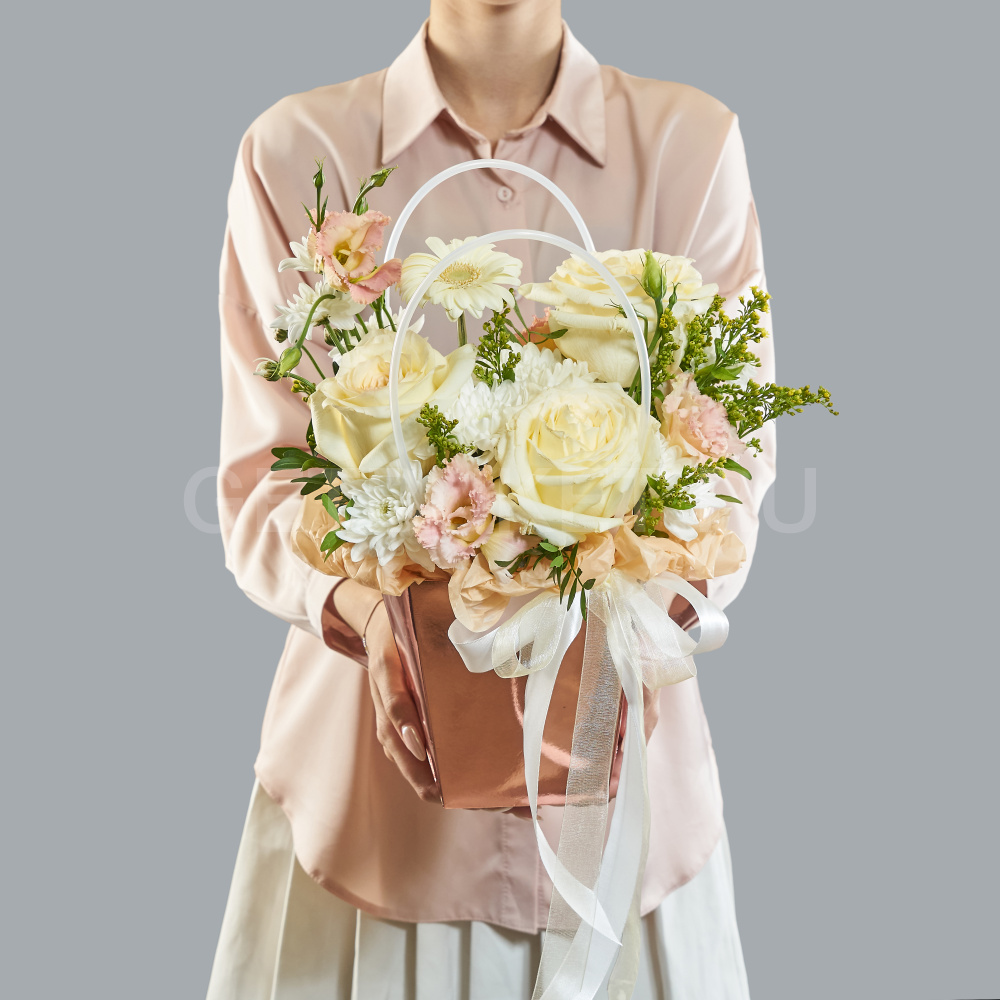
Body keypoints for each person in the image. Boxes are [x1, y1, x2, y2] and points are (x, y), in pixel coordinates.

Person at [207, 1, 775, 997]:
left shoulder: (691, 143)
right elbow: (263, 481)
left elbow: (728, 461)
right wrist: (370, 617)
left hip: (625, 830)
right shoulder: (296, 151)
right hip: (368, 819)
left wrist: (633, 626)